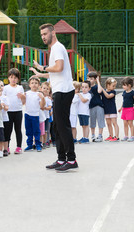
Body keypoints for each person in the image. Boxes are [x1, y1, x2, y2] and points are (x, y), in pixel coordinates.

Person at [31, 23, 78, 172]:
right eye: (42, 35)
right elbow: (55, 72)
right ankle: (61, 158)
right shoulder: (54, 49)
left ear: (53, 32)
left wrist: (42, 67)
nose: (43, 37)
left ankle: (71, 159)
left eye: (45, 34)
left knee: (63, 126)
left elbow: (59, 68)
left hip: (63, 91)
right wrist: (41, 74)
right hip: (59, 90)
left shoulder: (57, 47)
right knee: (57, 126)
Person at [2, 68, 25, 154]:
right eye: (11, 77)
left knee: (18, 129)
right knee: (8, 129)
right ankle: (6, 147)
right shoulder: (5, 88)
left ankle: (19, 147)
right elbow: (3, 99)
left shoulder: (20, 87)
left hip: (18, 111)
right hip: (8, 111)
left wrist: (22, 96)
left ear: (18, 79)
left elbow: (23, 101)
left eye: (15, 78)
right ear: (8, 78)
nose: (13, 79)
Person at [23, 76, 45, 152]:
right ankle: (29, 145)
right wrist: (22, 97)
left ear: (39, 85)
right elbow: (23, 103)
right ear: (29, 85)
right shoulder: (26, 93)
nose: (34, 84)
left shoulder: (39, 94)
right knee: (28, 131)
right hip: (27, 114)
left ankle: (38, 144)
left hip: (35, 115)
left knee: (36, 131)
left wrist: (42, 98)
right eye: (32, 83)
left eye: (36, 83)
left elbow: (42, 106)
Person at [118, 77, 134, 142]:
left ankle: (132, 136)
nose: (123, 86)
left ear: (129, 85)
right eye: (123, 85)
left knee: (130, 123)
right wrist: (121, 108)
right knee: (125, 123)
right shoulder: (124, 92)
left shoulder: (133, 92)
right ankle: (126, 136)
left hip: (130, 109)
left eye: (124, 85)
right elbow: (124, 101)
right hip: (124, 109)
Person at [87, 72, 105, 142]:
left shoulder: (97, 86)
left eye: (91, 79)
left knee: (100, 120)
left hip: (99, 105)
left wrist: (98, 81)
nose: (89, 80)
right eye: (88, 78)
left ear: (94, 79)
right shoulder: (87, 88)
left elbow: (100, 91)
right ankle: (93, 135)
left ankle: (100, 135)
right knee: (92, 121)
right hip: (91, 106)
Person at [101, 77, 119, 142]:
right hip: (106, 110)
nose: (114, 87)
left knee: (114, 123)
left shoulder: (113, 92)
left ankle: (116, 136)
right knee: (108, 123)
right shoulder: (103, 91)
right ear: (108, 85)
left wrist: (103, 90)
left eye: (115, 86)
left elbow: (108, 96)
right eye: (113, 86)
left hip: (112, 109)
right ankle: (110, 135)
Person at [0, 80, 10, 156]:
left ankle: (5, 149)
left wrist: (3, 105)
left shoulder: (4, 98)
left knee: (5, 135)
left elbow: (7, 108)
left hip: (4, 119)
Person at [41, 82, 52, 148]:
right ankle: (39, 142)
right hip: (40, 117)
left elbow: (50, 107)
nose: (45, 90)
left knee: (46, 130)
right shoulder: (39, 96)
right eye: (44, 88)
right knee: (40, 130)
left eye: (47, 89)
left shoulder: (48, 99)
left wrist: (45, 108)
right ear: (41, 88)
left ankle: (45, 142)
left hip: (46, 117)